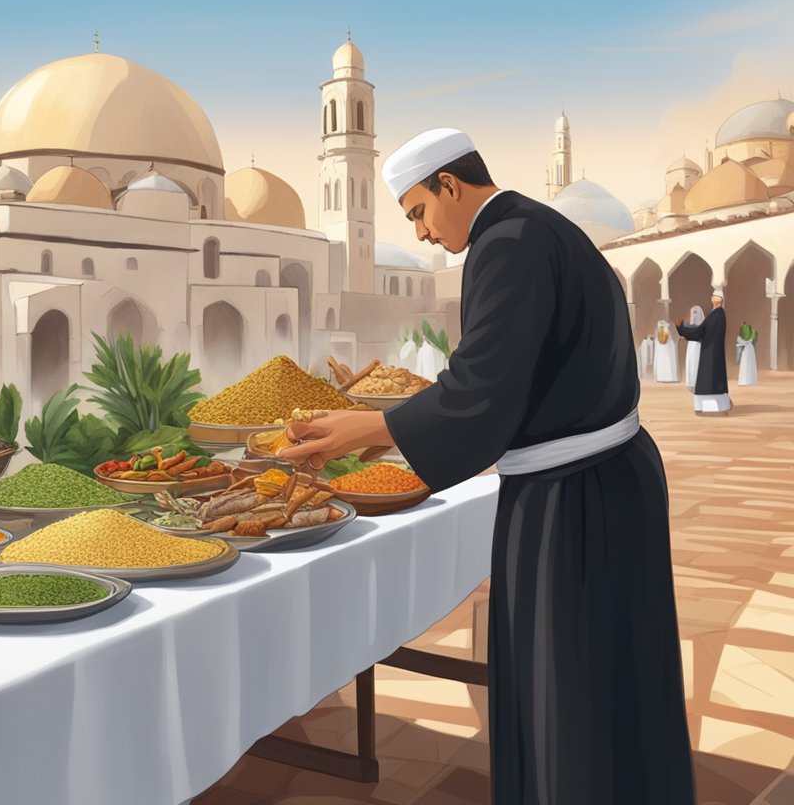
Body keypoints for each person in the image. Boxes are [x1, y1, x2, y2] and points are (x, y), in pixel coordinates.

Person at [279, 128, 696, 805]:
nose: (418, 232)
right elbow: (515, 384)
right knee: (618, 675)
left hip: (573, 500)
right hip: (606, 480)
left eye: (418, 211)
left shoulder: (506, 246)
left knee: (569, 680)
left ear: (451, 184)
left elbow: (482, 392)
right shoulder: (535, 227)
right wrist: (390, 432)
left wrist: (373, 425)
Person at [676, 291, 731, 414]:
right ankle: (718, 407)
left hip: (710, 352)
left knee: (708, 380)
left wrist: (681, 328)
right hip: (712, 351)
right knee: (713, 380)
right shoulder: (718, 314)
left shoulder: (715, 315)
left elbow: (699, 332)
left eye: (715, 297)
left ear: (718, 300)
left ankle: (708, 407)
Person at [683, 306, 704, 391]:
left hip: (700, 346)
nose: (694, 315)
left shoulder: (704, 325)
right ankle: (691, 381)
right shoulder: (690, 326)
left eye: (696, 313)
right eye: (693, 313)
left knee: (698, 361)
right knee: (691, 361)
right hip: (691, 345)